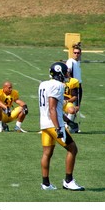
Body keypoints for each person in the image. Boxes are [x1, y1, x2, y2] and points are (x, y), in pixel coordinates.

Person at [38, 62, 85, 191]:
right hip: (54, 124)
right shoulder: (58, 85)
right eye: (65, 72)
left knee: (47, 153)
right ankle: (68, 181)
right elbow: (52, 108)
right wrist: (58, 127)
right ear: (60, 73)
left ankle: (46, 184)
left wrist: (66, 114)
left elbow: (52, 106)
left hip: (44, 123)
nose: (67, 74)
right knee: (73, 149)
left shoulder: (43, 84)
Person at [66, 43, 83, 121]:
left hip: (78, 85)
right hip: (74, 86)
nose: (76, 54)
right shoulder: (70, 61)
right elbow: (68, 72)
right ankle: (69, 124)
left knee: (76, 106)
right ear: (72, 53)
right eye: (75, 53)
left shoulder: (78, 62)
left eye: (78, 53)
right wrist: (71, 81)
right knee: (73, 106)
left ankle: (71, 125)